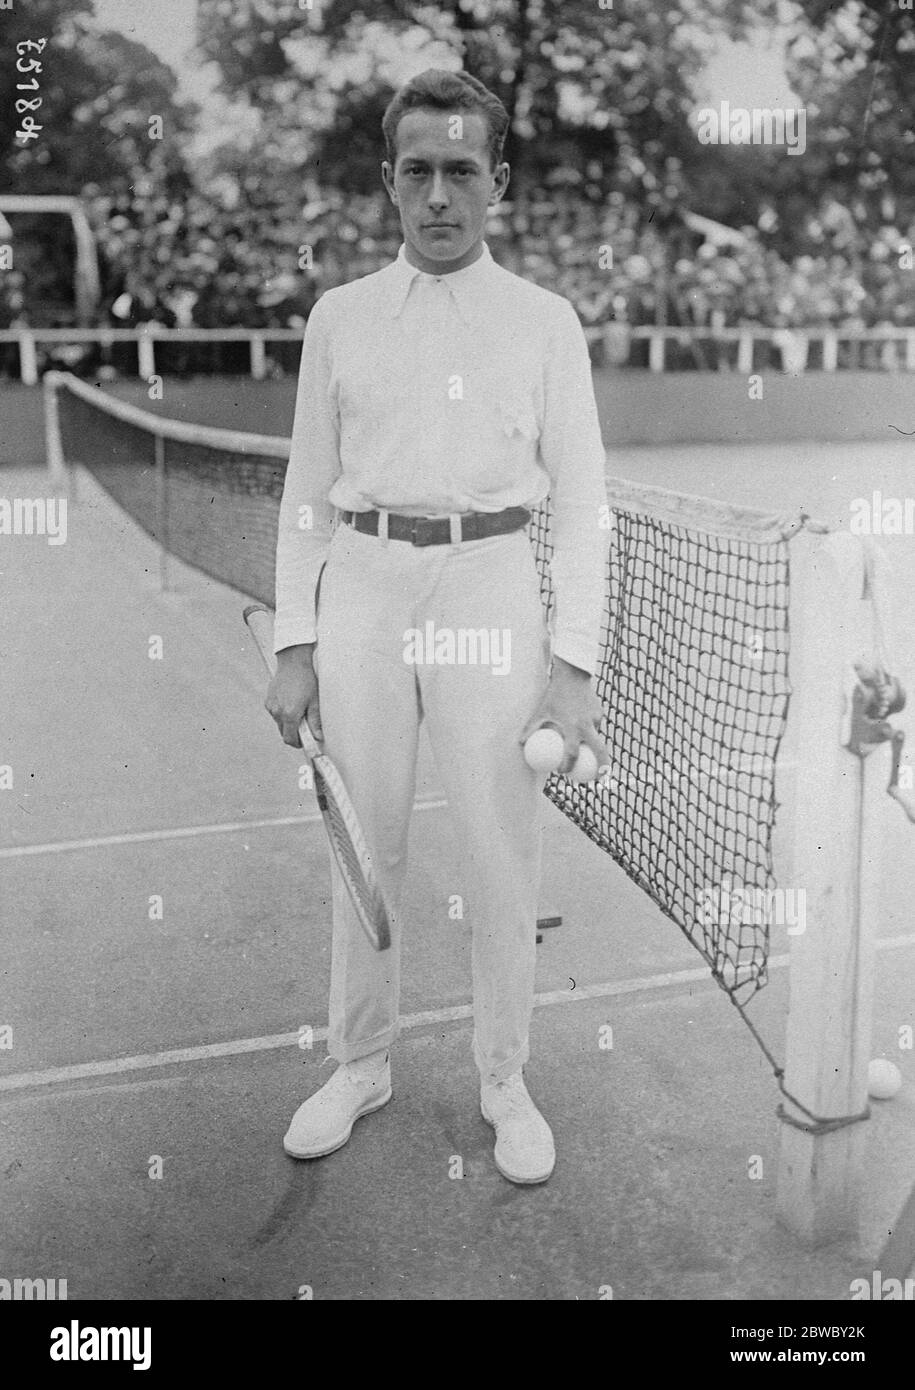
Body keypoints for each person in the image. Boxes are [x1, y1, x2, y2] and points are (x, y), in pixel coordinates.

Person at [267, 68, 608, 1184]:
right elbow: (307, 494)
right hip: (361, 588)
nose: (440, 193)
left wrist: (573, 669)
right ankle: (361, 1063)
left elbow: (587, 502)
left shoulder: (546, 322)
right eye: (418, 169)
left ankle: (504, 1079)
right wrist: (295, 643)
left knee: (500, 850)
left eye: (462, 170)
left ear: (497, 182)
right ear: (389, 181)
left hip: (492, 585)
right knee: (363, 844)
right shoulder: (340, 316)